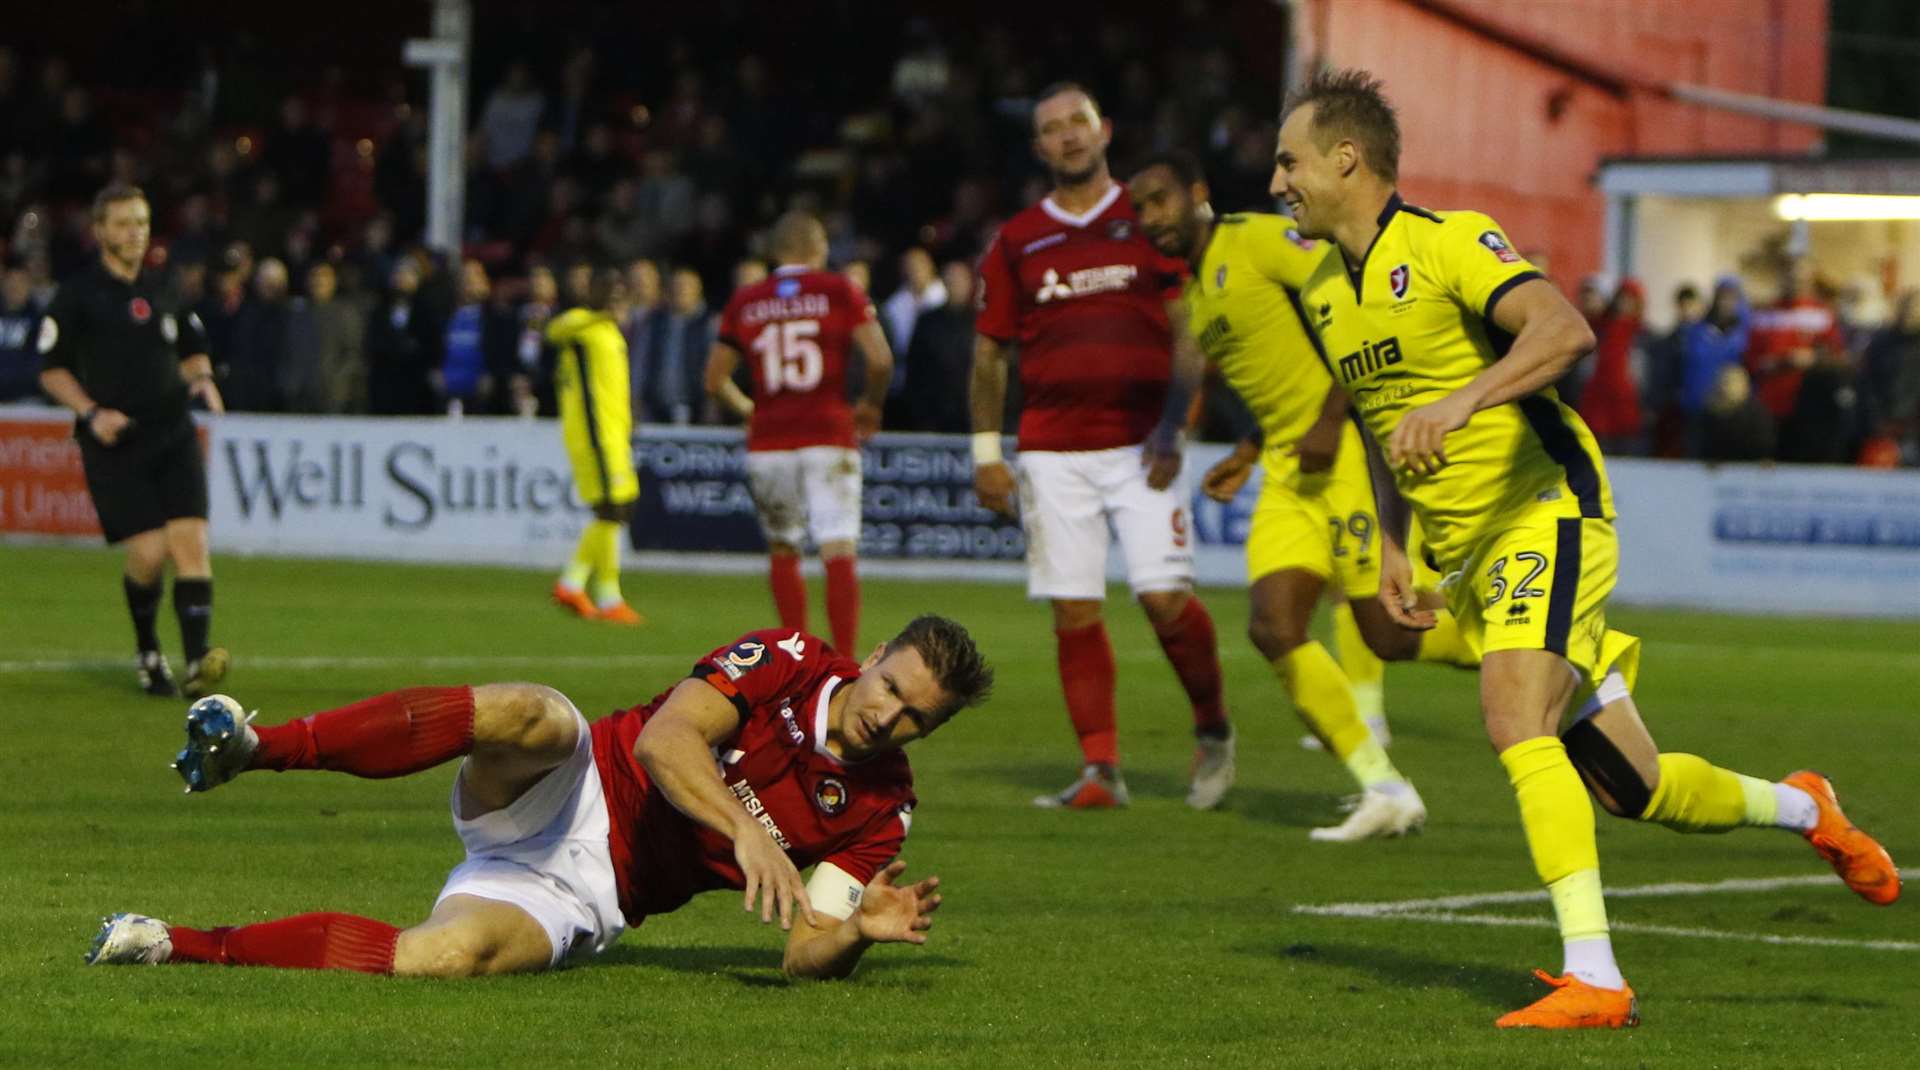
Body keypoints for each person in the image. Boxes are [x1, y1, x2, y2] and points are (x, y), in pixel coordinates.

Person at [1274, 68, 1899, 1029]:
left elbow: (1564, 332)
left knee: (1511, 712)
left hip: (1549, 509)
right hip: (1473, 556)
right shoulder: (1323, 291)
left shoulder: (1448, 243)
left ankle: (1597, 978)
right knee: (1633, 788)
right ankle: (1807, 809)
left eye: (1290, 159)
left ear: (1345, 159)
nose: (1277, 180)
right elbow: (1381, 420)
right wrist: (1398, 546)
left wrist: (1465, 397)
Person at [88, 615, 992, 979]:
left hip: (590, 894)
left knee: (446, 959)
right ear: (873, 657)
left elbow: (803, 951)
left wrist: (853, 936)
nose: (892, 718)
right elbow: (665, 739)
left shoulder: (885, 809)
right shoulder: (791, 657)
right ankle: (260, 747)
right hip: (576, 782)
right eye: (893, 688)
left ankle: (170, 943)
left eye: (919, 719)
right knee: (534, 714)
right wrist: (747, 835)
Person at [1128, 150, 1480, 834]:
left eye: (1160, 199)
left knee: (1387, 630)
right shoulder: (1199, 297)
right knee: (1273, 626)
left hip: (1345, 450)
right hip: (1289, 469)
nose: (1151, 218)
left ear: (1198, 192)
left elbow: (1356, 300)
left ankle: (1530, 645)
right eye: (1139, 208)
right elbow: (1279, 372)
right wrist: (1250, 450)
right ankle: (1385, 788)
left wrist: (1329, 416)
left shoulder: (1256, 238)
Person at [971, 82, 1231, 811]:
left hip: (1144, 444)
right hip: (1053, 451)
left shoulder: (1147, 219)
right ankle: (1100, 770)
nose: (1068, 136)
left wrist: (1176, 425)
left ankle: (1213, 729)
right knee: (1073, 609)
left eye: (1077, 122)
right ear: (1038, 147)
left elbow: (1189, 328)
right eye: (1051, 128)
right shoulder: (1018, 239)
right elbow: (989, 353)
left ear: (1104, 128)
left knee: (1164, 599)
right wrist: (985, 453)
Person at [34, 183, 230, 698]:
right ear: (99, 231)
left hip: (173, 431)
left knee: (191, 544)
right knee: (148, 553)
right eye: (123, 223)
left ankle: (195, 667)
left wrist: (202, 378)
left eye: (141, 222)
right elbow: (51, 371)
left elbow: (192, 347)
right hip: (115, 439)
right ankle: (148, 648)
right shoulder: (78, 295)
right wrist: (91, 413)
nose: (135, 233)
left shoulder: (164, 286)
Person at [705, 211, 893, 655]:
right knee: (837, 545)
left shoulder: (746, 300)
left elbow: (714, 380)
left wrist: (749, 409)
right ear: (818, 248)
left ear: (774, 253)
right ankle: (844, 661)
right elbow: (881, 359)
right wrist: (869, 404)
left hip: (769, 440)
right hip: (828, 432)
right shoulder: (839, 290)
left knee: (783, 546)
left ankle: (799, 658)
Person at [548, 268, 645, 626]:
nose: (621, 304)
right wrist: (598, 314)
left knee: (619, 508)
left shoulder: (608, 332)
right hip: (594, 434)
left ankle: (574, 583)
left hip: (614, 433)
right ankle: (606, 596)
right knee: (612, 509)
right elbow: (553, 329)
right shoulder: (581, 325)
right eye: (615, 296)